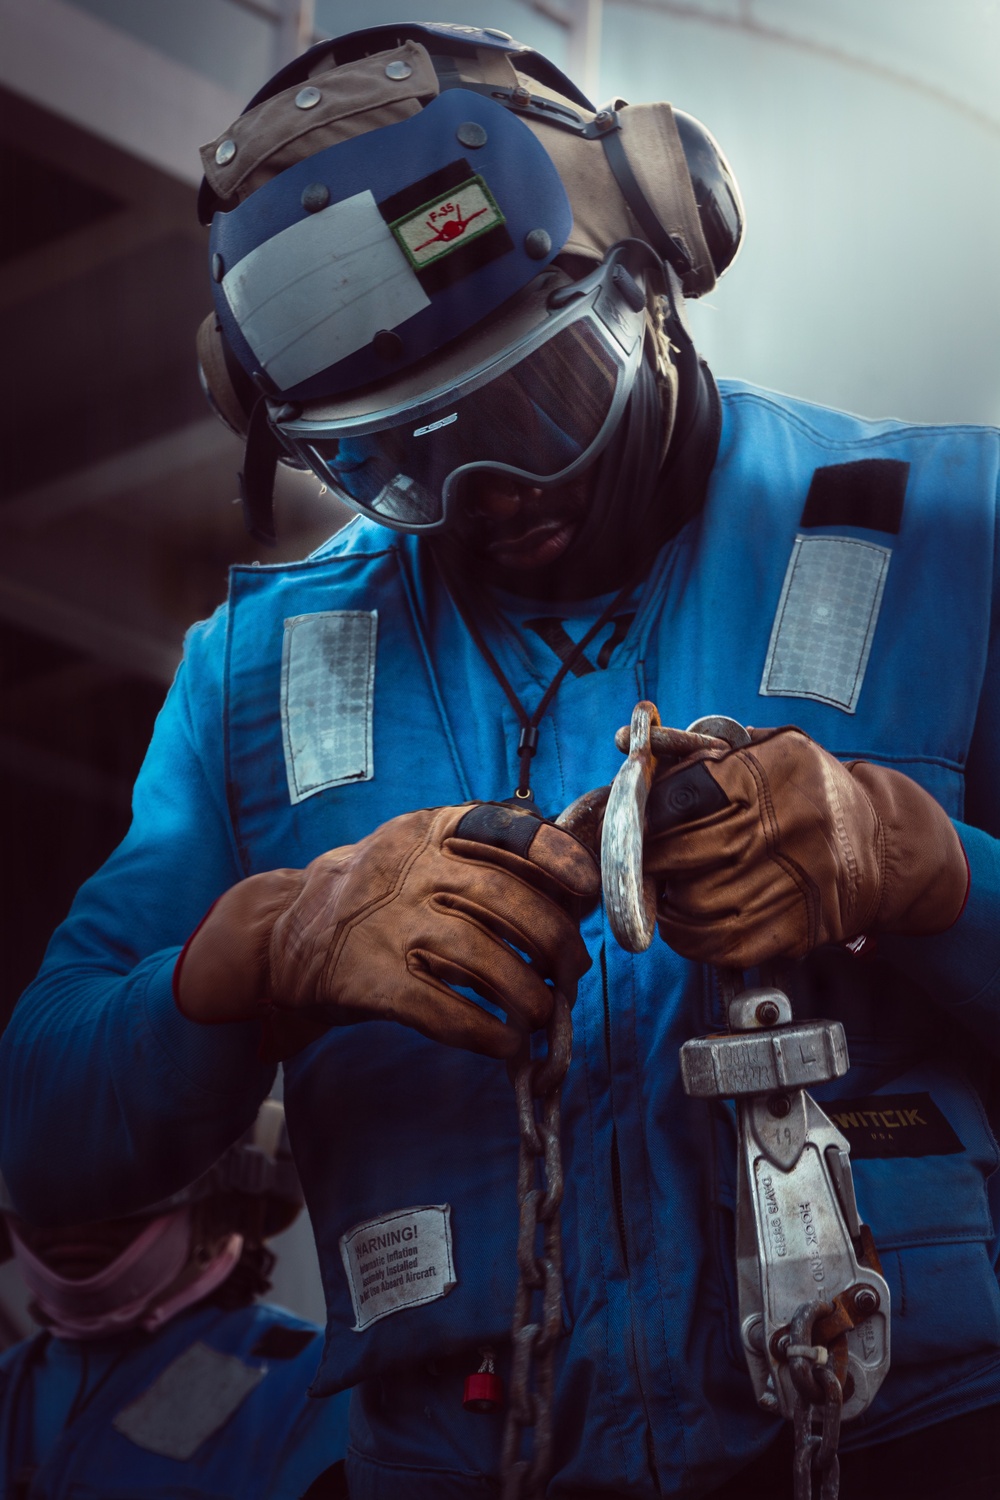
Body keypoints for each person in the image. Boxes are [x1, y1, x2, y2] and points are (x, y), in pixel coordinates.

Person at [2, 19, 999, 1498]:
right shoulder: (256, 673)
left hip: (916, 1445)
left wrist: (922, 869)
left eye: (539, 400)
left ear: (657, 269)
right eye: (400, 459)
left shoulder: (953, 537)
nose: (493, 493)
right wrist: (270, 943)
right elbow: (48, 1137)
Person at [0, 1101, 348, 1498]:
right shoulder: (11, 1383)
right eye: (36, 1181)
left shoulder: (313, 1385)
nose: (73, 1213)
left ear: (222, 1195)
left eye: (122, 1177)